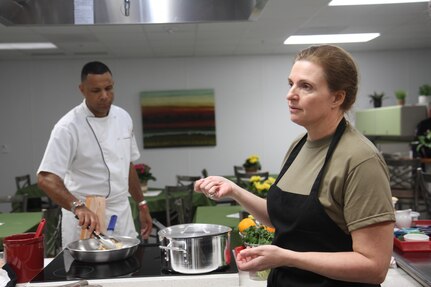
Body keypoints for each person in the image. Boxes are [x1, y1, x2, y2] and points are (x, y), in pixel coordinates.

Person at [195, 45, 395, 286]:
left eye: (306, 86)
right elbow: (286, 220)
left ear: (337, 97)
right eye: (291, 83)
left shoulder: (360, 159)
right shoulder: (299, 145)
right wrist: (235, 191)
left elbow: (374, 267)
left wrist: (287, 257)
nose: (290, 94)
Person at [37, 61, 152, 248]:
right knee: (88, 273)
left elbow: (127, 165)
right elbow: (45, 178)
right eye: (96, 90)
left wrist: (141, 203)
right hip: (85, 217)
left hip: (120, 212)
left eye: (108, 88)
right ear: (82, 90)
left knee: (129, 268)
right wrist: (77, 206)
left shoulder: (123, 118)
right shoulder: (68, 127)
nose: (104, 96)